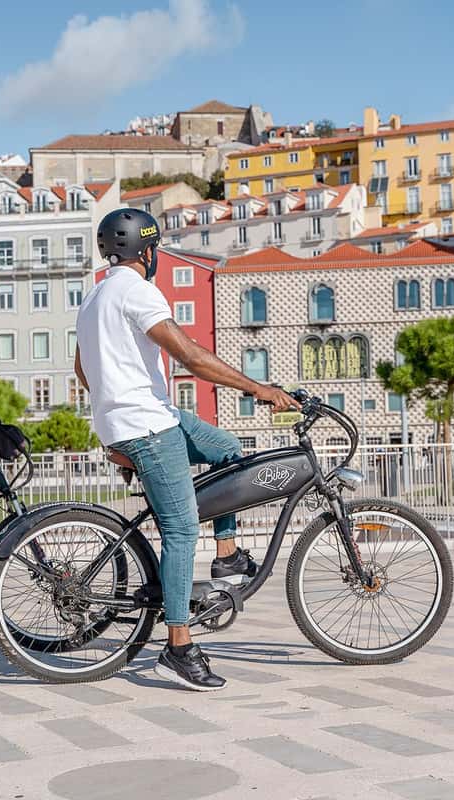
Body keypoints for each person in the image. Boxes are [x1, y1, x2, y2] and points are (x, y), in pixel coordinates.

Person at [75, 208, 297, 691]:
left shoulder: (93, 297)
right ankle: (177, 647)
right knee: (178, 532)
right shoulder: (137, 291)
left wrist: (115, 401)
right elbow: (191, 356)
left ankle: (229, 555)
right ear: (148, 251)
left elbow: (81, 371)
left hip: (146, 418)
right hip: (148, 427)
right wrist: (258, 389)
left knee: (227, 449)